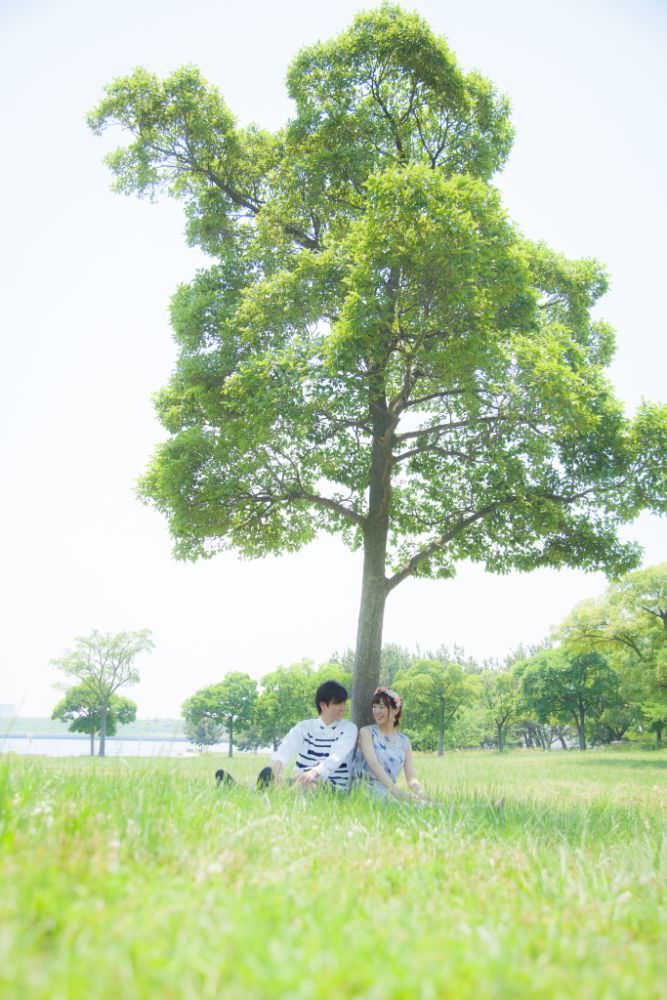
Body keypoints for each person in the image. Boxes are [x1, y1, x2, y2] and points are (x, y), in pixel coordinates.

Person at [215, 680, 358, 792]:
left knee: (302, 788)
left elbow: (337, 756)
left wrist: (314, 773)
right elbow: (285, 750)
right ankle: (242, 788)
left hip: (332, 785)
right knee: (284, 783)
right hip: (300, 780)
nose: (343, 707)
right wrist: (275, 772)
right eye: (338, 703)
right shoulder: (304, 727)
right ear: (323, 705)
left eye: (344, 703)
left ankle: (259, 791)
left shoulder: (349, 729)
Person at [352, 686, 424, 801]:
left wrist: (420, 792)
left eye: (381, 707)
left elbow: (411, 778)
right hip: (365, 790)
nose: (376, 711)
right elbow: (374, 766)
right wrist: (398, 793)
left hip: (389, 790)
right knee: (411, 806)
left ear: (396, 710)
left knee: (427, 804)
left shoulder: (404, 741)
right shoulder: (367, 732)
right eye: (374, 707)